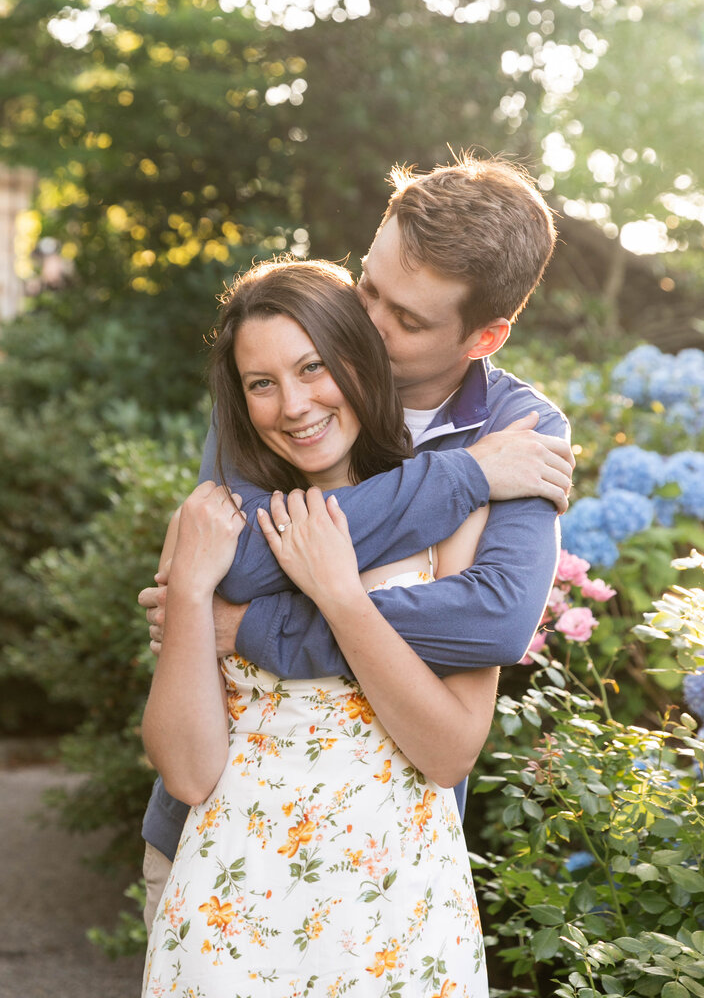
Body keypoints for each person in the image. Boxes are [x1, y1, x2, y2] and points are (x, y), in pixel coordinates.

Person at [140, 152, 573, 928]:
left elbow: (494, 621)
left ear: (486, 335)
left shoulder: (520, 433)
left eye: (406, 319)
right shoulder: (285, 365)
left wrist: (253, 628)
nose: (363, 324)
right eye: (368, 284)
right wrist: (463, 480)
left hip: (384, 872)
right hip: (212, 846)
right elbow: (236, 560)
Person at [142, 258, 495, 995]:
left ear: (359, 360)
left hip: (398, 908)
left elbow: (449, 754)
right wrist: (192, 593)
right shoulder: (213, 522)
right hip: (234, 901)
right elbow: (186, 770)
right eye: (261, 384)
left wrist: (339, 594)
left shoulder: (455, 519)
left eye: (314, 367)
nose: (294, 405)